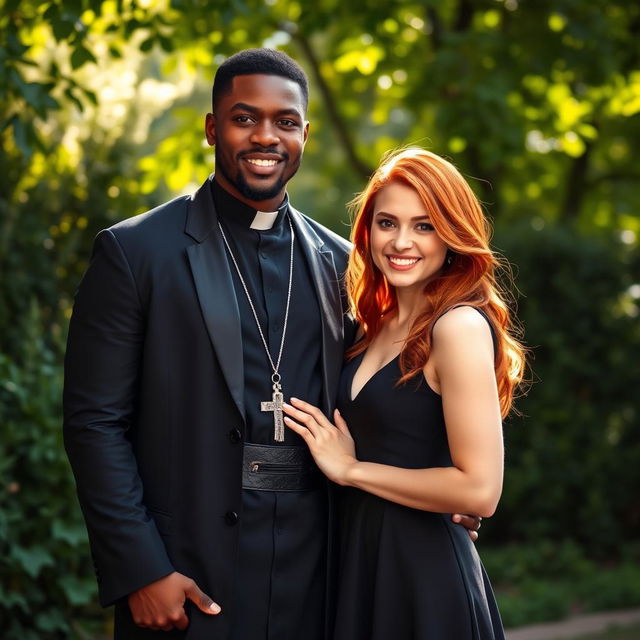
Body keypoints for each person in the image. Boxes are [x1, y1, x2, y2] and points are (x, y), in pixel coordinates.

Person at [63, 50, 480, 640]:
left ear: (305, 135)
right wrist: (140, 568)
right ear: (212, 128)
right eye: (244, 118)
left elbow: (394, 393)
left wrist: (442, 487)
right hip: (188, 580)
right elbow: (93, 423)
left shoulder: (345, 264)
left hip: (325, 580)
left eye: (285, 122)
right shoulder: (136, 254)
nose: (266, 136)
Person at [283, 147, 527, 639]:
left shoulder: (456, 326)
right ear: (367, 230)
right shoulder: (370, 325)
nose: (401, 241)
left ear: (452, 235)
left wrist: (352, 470)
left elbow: (480, 490)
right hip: (360, 564)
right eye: (387, 222)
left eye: (424, 226)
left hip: (422, 577)